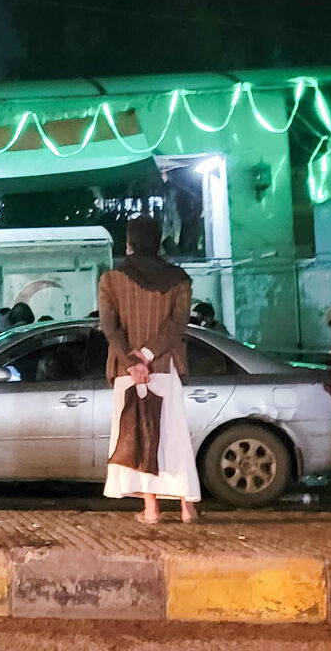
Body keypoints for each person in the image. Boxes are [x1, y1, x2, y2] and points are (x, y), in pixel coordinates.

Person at [99, 216, 200, 525]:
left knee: (139, 435)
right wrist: (148, 355)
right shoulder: (179, 280)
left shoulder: (111, 279)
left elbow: (109, 327)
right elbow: (177, 325)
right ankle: (187, 508)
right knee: (173, 436)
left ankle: (151, 509)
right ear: (157, 242)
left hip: (126, 372)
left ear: (129, 243)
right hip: (165, 367)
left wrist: (133, 362)